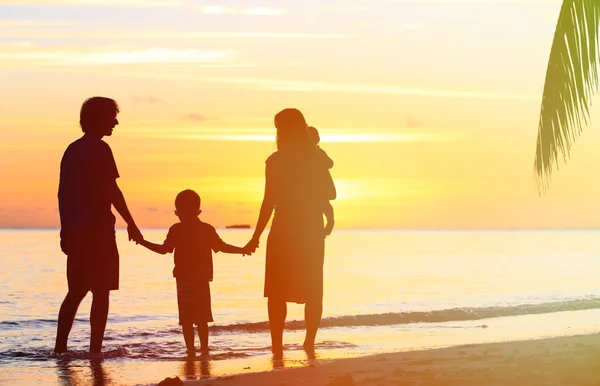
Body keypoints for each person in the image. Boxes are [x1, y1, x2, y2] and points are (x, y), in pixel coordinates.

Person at [55, 96, 143, 354]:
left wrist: (65, 229)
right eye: (111, 117)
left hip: (76, 231)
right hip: (98, 232)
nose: (115, 122)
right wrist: (132, 223)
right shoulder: (100, 149)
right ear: (96, 118)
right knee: (101, 293)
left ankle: (60, 349)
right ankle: (95, 351)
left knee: (76, 292)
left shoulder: (72, 149)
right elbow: (112, 190)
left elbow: (63, 194)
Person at [245, 109, 336, 354]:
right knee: (313, 287)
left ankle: (277, 346)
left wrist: (255, 237)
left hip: (285, 228)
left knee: (277, 291)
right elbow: (330, 194)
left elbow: (268, 201)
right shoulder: (316, 159)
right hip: (310, 229)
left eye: (278, 126)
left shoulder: (276, 161)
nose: (277, 131)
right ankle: (309, 343)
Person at [137, 189, 251, 356]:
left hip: (184, 280)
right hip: (201, 280)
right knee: (202, 319)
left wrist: (142, 242)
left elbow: (164, 250)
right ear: (198, 211)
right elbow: (222, 247)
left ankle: (191, 350)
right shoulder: (206, 229)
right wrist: (242, 249)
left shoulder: (176, 229)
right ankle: (204, 350)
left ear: (177, 212)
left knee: (187, 320)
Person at [307, 126, 335, 236]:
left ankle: (330, 221)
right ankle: (330, 222)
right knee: (323, 204)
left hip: (322, 184)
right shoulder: (304, 152)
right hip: (315, 186)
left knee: (325, 204)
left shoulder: (319, 151)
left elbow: (330, 163)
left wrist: (320, 160)